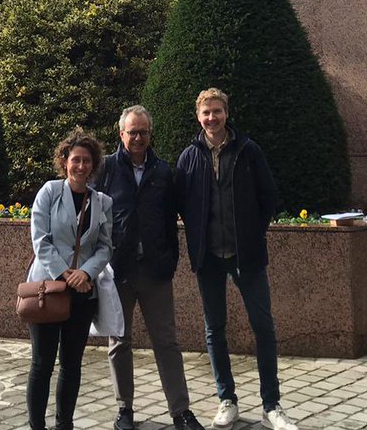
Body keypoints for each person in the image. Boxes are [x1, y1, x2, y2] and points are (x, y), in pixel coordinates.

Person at [175, 88, 299, 430]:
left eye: (217, 111)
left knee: (264, 327)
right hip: (209, 256)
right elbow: (183, 203)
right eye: (206, 113)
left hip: (247, 256)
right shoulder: (189, 156)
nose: (211, 118)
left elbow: (268, 196)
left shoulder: (248, 151)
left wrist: (253, 234)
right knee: (214, 329)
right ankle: (226, 399)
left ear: (227, 113)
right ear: (198, 117)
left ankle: (271, 405)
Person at [96, 105, 204, 430]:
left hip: (156, 271)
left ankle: (180, 411)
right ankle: (124, 410)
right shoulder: (107, 169)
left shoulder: (162, 171)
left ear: (150, 133)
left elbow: (172, 221)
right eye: (133, 132)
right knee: (119, 342)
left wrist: (170, 259)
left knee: (167, 342)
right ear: (121, 134)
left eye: (143, 132)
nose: (138, 137)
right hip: (119, 271)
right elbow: (95, 218)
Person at [26, 131, 114, 430]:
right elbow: (40, 239)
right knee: (41, 364)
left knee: (72, 365)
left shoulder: (102, 201)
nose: (80, 166)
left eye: (86, 161)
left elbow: (105, 246)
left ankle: (65, 424)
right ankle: (37, 425)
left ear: (94, 165)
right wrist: (66, 274)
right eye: (75, 159)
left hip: (82, 293)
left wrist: (86, 273)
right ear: (65, 162)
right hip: (48, 289)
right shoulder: (49, 192)